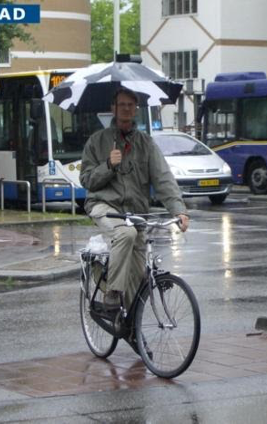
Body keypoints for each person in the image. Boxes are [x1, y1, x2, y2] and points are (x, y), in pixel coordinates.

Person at [80, 87, 189, 308]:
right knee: (125, 234)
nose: (126, 109)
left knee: (138, 277)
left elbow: (163, 178)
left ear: (136, 109)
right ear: (113, 108)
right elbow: (87, 180)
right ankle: (112, 291)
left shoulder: (145, 143)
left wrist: (178, 210)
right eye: (122, 105)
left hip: (135, 213)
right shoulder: (97, 141)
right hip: (104, 206)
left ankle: (127, 327)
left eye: (131, 105)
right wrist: (109, 165)